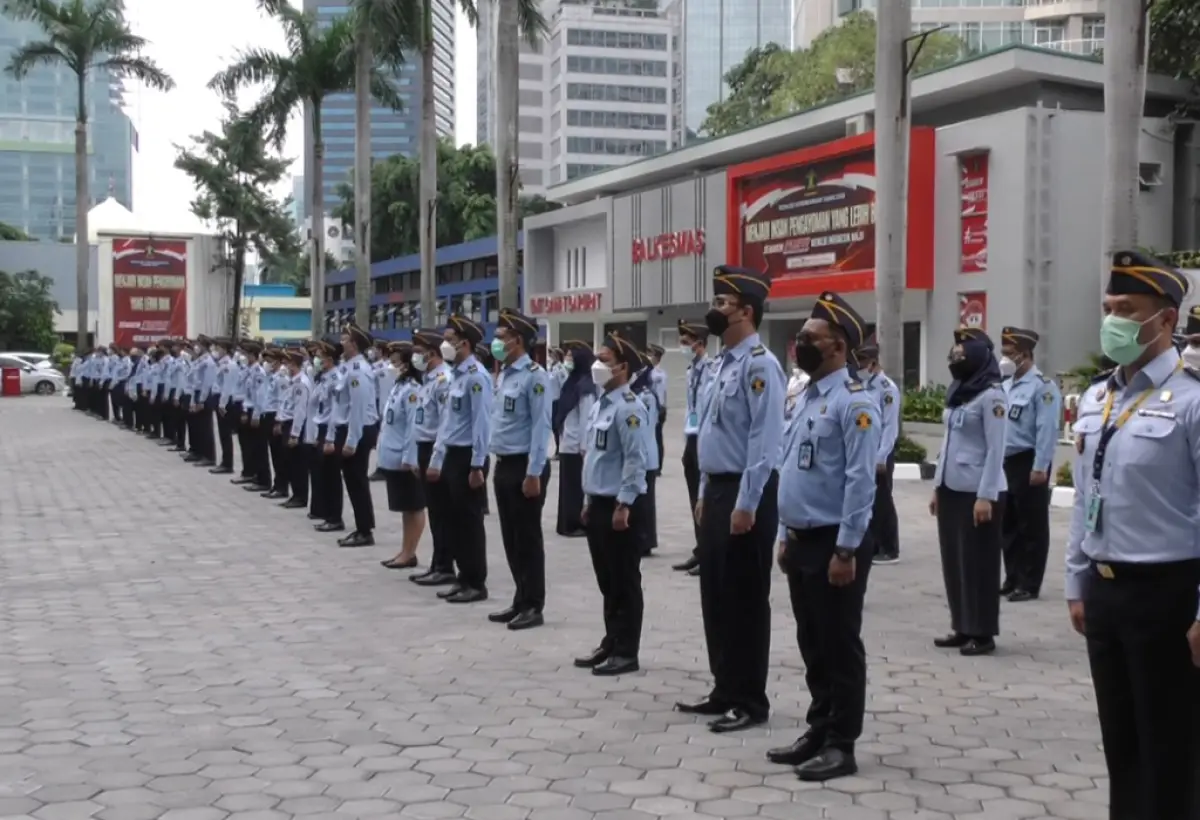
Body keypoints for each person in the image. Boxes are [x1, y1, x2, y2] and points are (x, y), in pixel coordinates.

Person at [1065, 251, 1200, 820]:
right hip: (1106, 590)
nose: (1113, 320)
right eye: (1108, 308)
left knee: (1171, 747)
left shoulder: (1193, 400)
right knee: (1122, 744)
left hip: (1167, 594)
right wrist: (1077, 578)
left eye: (1127, 310)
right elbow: (1084, 496)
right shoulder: (1099, 397)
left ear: (1165, 320)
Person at [768, 292, 880, 782]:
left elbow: (860, 481)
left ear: (836, 346)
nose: (800, 345)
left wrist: (846, 548)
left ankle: (842, 743)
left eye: (809, 339)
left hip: (835, 540)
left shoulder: (854, 403)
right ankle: (819, 727)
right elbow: (791, 468)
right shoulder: (808, 397)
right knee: (812, 640)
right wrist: (783, 532)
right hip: (801, 537)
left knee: (838, 644)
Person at [677, 265, 785, 734]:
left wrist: (747, 502)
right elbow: (711, 435)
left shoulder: (762, 365)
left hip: (747, 492)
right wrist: (704, 492)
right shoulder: (720, 364)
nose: (716, 310)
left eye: (724, 304)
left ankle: (750, 699)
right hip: (718, 489)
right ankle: (724, 686)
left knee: (744, 597)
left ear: (746, 311)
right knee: (716, 594)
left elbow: (764, 440)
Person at [575, 332, 650, 676]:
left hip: (623, 506)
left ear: (622, 367)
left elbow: (636, 459)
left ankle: (627, 650)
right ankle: (612, 639)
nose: (597, 365)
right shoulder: (601, 404)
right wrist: (590, 499)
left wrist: (624, 504)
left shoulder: (630, 407)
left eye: (604, 360)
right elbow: (595, 458)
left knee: (624, 580)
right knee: (607, 579)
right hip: (601, 503)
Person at [930, 326, 1007, 657]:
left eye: (964, 353)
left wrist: (986, 495)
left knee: (979, 563)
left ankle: (983, 631)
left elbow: (996, 448)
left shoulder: (992, 395)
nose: (957, 358)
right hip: (951, 488)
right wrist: (936, 486)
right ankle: (962, 625)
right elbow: (947, 443)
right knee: (955, 561)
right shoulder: (960, 390)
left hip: (978, 492)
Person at [487, 308, 553, 631]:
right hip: (503, 464)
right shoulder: (505, 375)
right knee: (510, 538)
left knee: (527, 539)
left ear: (517, 340)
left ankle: (533, 605)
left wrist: (534, 472)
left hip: (525, 466)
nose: (497, 341)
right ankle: (520, 597)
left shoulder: (536, 376)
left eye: (502, 336)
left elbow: (542, 427)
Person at [427, 315, 493, 604]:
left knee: (470, 522)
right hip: (453, 454)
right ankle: (462, 577)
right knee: (454, 520)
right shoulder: (456, 375)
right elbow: (448, 421)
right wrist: (438, 455)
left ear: (465, 343)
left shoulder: (477, 376)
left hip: (469, 456)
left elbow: (481, 423)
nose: (445, 345)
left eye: (450, 341)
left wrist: (478, 463)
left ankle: (476, 582)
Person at [998, 327, 1062, 602]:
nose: (1005, 359)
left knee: (1031, 525)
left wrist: (1041, 466)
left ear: (1025, 355)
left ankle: (1029, 582)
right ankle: (1012, 577)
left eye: (1010, 354)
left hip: (1028, 460)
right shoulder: (1005, 384)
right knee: (1008, 524)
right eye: (1004, 354)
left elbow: (1046, 430)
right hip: (1005, 460)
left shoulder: (1043, 387)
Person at [408, 329, 457, 586]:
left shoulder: (443, 380)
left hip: (438, 449)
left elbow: (445, 424)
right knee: (435, 511)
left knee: (442, 512)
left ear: (432, 352)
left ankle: (446, 565)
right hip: (424, 447)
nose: (414, 356)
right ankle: (438, 563)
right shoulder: (427, 379)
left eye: (419, 351)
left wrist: (436, 460)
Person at [377, 341, 426, 570]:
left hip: (405, 458)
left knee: (414, 505)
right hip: (393, 455)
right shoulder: (399, 386)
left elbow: (413, 427)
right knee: (405, 507)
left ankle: (410, 552)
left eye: (395, 361)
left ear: (407, 364)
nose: (391, 365)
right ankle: (405, 550)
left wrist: (410, 457)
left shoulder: (413, 389)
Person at [853, 340, 901, 564]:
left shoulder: (887, 388)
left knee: (882, 500)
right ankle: (872, 544)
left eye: (862, 361)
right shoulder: (862, 386)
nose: (859, 366)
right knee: (866, 498)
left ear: (873, 362)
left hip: (881, 451)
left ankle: (890, 548)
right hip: (864, 449)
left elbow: (890, 425)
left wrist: (882, 455)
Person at [334, 323, 381, 548]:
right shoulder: (348, 367)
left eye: (345, 339)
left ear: (354, 344)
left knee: (357, 481)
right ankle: (361, 527)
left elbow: (358, 408)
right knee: (352, 481)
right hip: (352, 428)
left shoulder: (358, 371)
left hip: (359, 429)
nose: (341, 342)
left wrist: (351, 440)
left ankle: (365, 530)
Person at [673, 319, 713, 575]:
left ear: (700, 344)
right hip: (692, 436)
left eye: (686, 342)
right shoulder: (691, 370)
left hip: (704, 438)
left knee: (704, 498)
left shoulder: (711, 370)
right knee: (693, 497)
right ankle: (701, 549)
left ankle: (709, 552)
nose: (682, 346)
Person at [555, 341, 596, 538]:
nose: (567, 360)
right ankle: (570, 524)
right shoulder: (576, 384)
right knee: (571, 488)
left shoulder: (584, 385)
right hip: (571, 445)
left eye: (571, 357)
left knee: (572, 487)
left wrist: (584, 445)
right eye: (567, 356)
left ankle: (569, 522)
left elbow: (586, 419)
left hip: (575, 445)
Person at [311, 339, 345, 531]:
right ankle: (327, 512)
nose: (316, 359)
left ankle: (335, 517)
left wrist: (330, 438)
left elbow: (335, 410)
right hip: (322, 428)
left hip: (330, 429)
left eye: (319, 356)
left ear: (330, 359)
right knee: (323, 473)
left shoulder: (336, 378)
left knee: (332, 475)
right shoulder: (324, 377)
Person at [631, 350, 660, 556]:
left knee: (645, 501)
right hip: (640, 453)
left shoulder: (646, 395)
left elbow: (647, 427)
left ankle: (645, 540)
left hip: (646, 454)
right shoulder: (634, 392)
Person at [282, 348, 313, 509]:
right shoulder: (293, 380)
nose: (286, 366)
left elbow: (300, 411)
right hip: (289, 422)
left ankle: (300, 496)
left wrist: (294, 434)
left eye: (288, 363)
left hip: (296, 426)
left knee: (298, 464)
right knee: (291, 463)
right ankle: (295, 494)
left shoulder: (301, 383)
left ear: (294, 364)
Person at [242, 343, 273, 492]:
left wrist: (255, 414)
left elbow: (260, 395)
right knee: (253, 447)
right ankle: (256, 476)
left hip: (257, 411)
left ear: (253, 355)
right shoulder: (249, 370)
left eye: (247, 354)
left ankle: (264, 480)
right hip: (249, 409)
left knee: (260, 447)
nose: (244, 357)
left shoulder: (259, 372)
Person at [265, 349, 292, 499]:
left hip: (276, 416)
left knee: (279, 455)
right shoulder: (273, 376)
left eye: (270, 360)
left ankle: (282, 487)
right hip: (270, 414)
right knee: (274, 454)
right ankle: (277, 484)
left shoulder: (281, 377)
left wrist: (278, 421)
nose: (268, 363)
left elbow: (282, 399)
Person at [370, 339, 396, 482]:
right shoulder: (378, 367)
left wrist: (380, 410)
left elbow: (383, 391)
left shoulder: (383, 368)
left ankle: (383, 467)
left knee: (383, 439)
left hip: (384, 407)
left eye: (375, 349)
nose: (372, 352)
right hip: (381, 407)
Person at [647, 343, 667, 471]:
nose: (649, 357)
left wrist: (659, 410)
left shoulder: (659, 374)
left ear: (657, 358)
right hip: (651, 407)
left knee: (657, 437)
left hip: (658, 408)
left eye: (651, 354)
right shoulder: (648, 371)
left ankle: (658, 466)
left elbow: (660, 393)